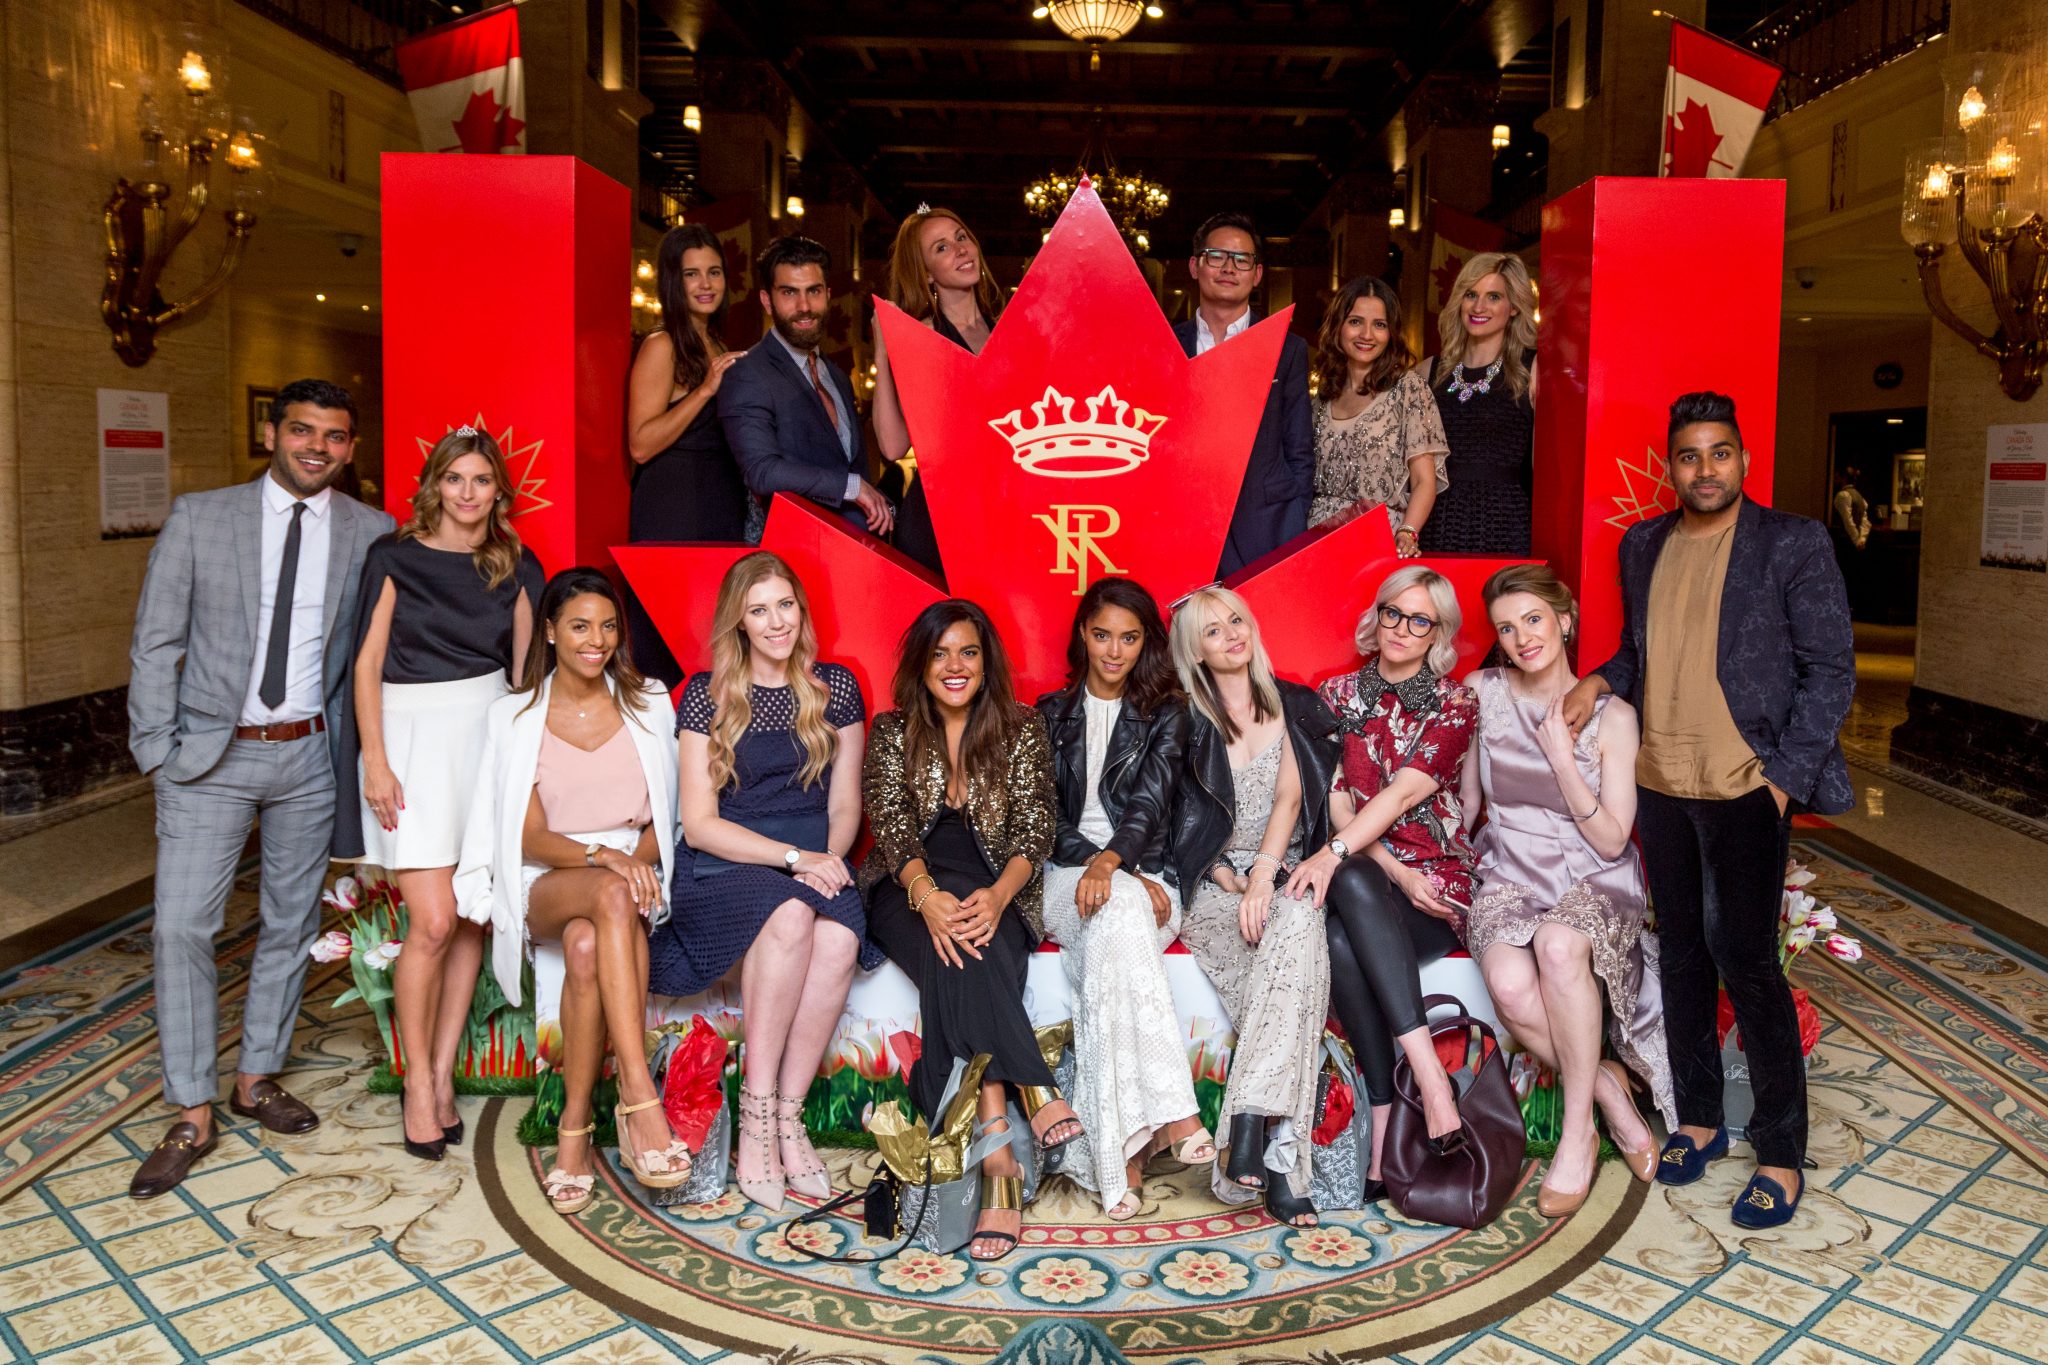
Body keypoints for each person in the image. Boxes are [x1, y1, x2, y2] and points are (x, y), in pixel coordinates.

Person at [1562, 391, 1854, 1230]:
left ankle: (1780, 1151)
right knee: (1683, 954)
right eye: (1689, 456)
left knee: (1748, 961)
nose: (1705, 469)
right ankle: (1698, 1118)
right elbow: (1641, 650)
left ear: (1743, 460)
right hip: (1660, 782)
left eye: (1719, 452)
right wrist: (1599, 679)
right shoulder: (1643, 543)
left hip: (1746, 784)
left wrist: (1782, 780)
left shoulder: (1792, 542)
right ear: (1671, 466)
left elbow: (1831, 669)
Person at [126, 378, 394, 1200]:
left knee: (289, 920)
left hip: (309, 755)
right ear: (274, 434)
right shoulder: (201, 517)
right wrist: (157, 749)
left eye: (335, 436)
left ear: (351, 448)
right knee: (183, 924)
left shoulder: (371, 531)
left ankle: (256, 1077)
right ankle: (191, 1106)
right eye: (303, 430)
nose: (318, 446)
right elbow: (156, 640)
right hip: (210, 757)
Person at [648, 551, 880, 1212]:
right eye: (759, 610)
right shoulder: (706, 695)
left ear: (800, 611)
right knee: (791, 916)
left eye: (785, 605)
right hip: (728, 860)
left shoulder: (835, 688)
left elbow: (845, 806)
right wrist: (795, 859)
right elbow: (699, 824)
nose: (776, 622)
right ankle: (755, 1116)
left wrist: (826, 860)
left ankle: (788, 1116)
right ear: (739, 622)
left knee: (838, 937)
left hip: (813, 853)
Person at [454, 569, 691, 1211]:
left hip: (635, 869)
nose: (597, 641)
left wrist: (631, 861)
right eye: (580, 626)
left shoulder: (650, 702)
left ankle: (574, 1131)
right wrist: (602, 857)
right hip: (549, 876)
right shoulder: (513, 716)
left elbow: (667, 816)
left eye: (608, 626)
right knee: (606, 897)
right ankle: (640, 1099)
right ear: (551, 631)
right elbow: (528, 835)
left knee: (588, 943)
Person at [343, 427, 544, 1161]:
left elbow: (525, 678)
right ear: (435, 484)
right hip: (409, 743)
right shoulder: (393, 557)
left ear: (498, 491)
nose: (467, 492)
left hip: (484, 740)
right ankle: (416, 1084)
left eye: (481, 480)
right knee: (429, 921)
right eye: (455, 478)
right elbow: (365, 665)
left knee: (467, 919)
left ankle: (438, 1071)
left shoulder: (518, 565)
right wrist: (375, 761)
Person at [861, 599, 1078, 1261]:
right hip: (907, 888)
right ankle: (1029, 1090)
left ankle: (996, 1148)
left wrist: (1000, 895)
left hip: (997, 885)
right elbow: (892, 828)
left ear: (986, 663)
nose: (954, 666)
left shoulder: (1021, 727)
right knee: (952, 942)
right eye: (940, 653)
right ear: (921, 664)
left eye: (968, 652)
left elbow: (1036, 830)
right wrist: (927, 896)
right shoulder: (892, 731)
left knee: (966, 947)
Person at [1459, 564, 1673, 1218]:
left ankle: (1577, 1135)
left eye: (1533, 619)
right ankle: (1609, 1090)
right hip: (1510, 868)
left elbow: (1611, 840)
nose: (1522, 637)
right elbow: (1465, 802)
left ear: (1565, 620)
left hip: (1592, 873)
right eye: (1506, 627)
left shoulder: (1615, 717)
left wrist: (1560, 755)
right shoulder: (1482, 693)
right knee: (1510, 987)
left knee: (1557, 946)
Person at [1285, 567, 1476, 1205]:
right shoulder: (1336, 695)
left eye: (1420, 620)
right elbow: (1339, 803)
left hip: (1436, 881)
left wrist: (1337, 857)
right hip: (1380, 875)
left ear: (1438, 633)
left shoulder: (1454, 703)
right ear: (1377, 615)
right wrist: (1387, 868)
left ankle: (1400, 1106)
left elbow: (1400, 797)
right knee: (1348, 910)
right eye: (1393, 613)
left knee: (1343, 924)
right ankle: (1425, 1085)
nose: (1401, 629)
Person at [1037, 577, 1211, 1219]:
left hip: (1146, 876)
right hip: (1064, 875)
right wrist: (1100, 866)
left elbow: (1149, 806)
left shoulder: (1168, 712)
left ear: (1146, 644)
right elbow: (1044, 820)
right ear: (1083, 634)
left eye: (1129, 638)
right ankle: (1176, 1116)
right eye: (1102, 635)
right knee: (1118, 914)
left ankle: (1120, 1164)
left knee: (1116, 924)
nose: (1114, 651)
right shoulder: (1046, 715)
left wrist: (1118, 867)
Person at [1168, 586, 1340, 1226]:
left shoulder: (1294, 703)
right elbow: (1175, 818)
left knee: (1298, 916)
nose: (1232, 635)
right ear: (1196, 651)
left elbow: (1291, 801)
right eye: (1213, 631)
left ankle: (1245, 1125)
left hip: (1283, 869)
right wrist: (1224, 875)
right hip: (1214, 887)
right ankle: (1282, 1161)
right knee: (1289, 991)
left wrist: (1264, 875)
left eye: (1236, 620)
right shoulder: (1183, 720)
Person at [626, 223, 750, 684]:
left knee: (713, 645)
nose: (705, 284)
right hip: (673, 513)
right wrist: (705, 391)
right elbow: (640, 444)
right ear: (672, 282)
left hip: (720, 508)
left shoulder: (716, 343)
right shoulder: (662, 345)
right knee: (671, 642)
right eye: (691, 274)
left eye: (714, 272)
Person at [718, 236, 895, 544]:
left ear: (828, 295)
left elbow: (850, 463)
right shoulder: (747, 373)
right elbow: (761, 471)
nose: (804, 307)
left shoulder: (836, 376)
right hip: (790, 552)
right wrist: (852, 486)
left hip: (854, 550)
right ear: (767, 301)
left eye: (813, 291)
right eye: (789, 292)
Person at [1171, 213, 1314, 576]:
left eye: (1241, 259)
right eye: (1216, 256)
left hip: (1266, 524)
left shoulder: (1286, 348)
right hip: (1183, 522)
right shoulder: (1166, 344)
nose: (1228, 268)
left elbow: (1298, 448)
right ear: (1195, 266)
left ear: (1257, 274)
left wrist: (1294, 516)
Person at [871, 205, 1009, 576]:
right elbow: (892, 447)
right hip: (939, 521)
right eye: (942, 247)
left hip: (1001, 514)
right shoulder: (924, 335)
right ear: (927, 273)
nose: (961, 249)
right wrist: (884, 350)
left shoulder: (1007, 331)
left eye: (962, 237)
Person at [1308, 276, 1449, 558]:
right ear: (1338, 326)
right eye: (1355, 321)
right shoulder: (1323, 394)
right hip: (1317, 541)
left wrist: (1408, 532)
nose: (1367, 334)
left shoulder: (1409, 389)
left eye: (1380, 325)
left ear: (1391, 332)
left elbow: (1424, 480)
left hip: (1378, 541)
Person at [1424, 252, 1539, 556]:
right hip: (1437, 521)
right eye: (1471, 294)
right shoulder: (1428, 372)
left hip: (1506, 522)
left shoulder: (1531, 370)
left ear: (1514, 306)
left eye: (1493, 297)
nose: (1478, 307)